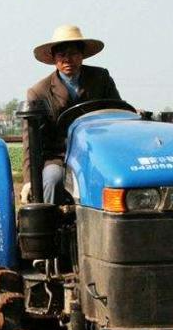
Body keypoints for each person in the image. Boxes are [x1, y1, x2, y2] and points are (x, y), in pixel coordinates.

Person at [25, 25, 122, 204]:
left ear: (82, 55)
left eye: (74, 54)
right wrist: (29, 181)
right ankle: (49, 229)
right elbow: (31, 142)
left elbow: (117, 114)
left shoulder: (101, 78)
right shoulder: (39, 93)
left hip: (98, 153)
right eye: (62, 55)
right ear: (54, 58)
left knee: (121, 181)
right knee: (52, 180)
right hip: (60, 158)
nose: (68, 60)